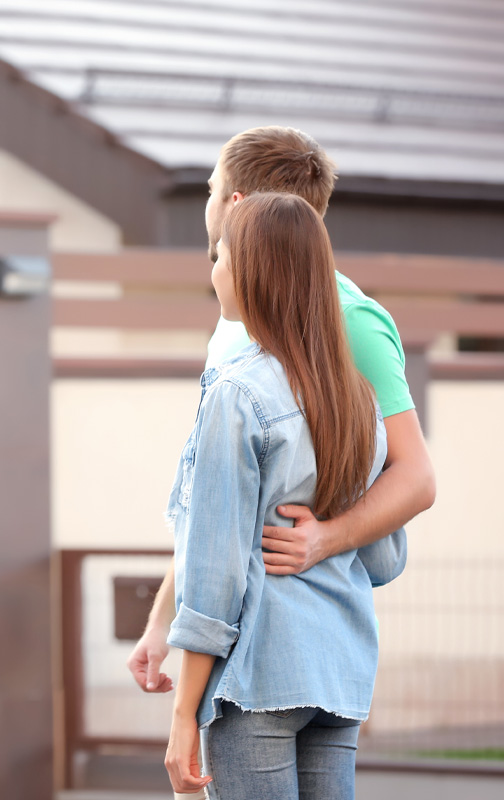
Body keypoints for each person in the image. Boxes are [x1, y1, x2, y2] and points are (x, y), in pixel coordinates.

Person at [127, 126, 435, 696]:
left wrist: (329, 537)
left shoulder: (354, 321)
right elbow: (216, 496)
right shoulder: (234, 318)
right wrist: (162, 623)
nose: (208, 206)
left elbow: (416, 477)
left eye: (212, 190)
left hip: (300, 649)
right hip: (229, 646)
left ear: (236, 204)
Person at [163, 192, 407, 798]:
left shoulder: (238, 394)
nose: (213, 270)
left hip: (258, 678)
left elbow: (214, 575)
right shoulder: (358, 396)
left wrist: (182, 715)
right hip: (340, 674)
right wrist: (328, 533)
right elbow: (385, 559)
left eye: (220, 257)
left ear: (252, 275)